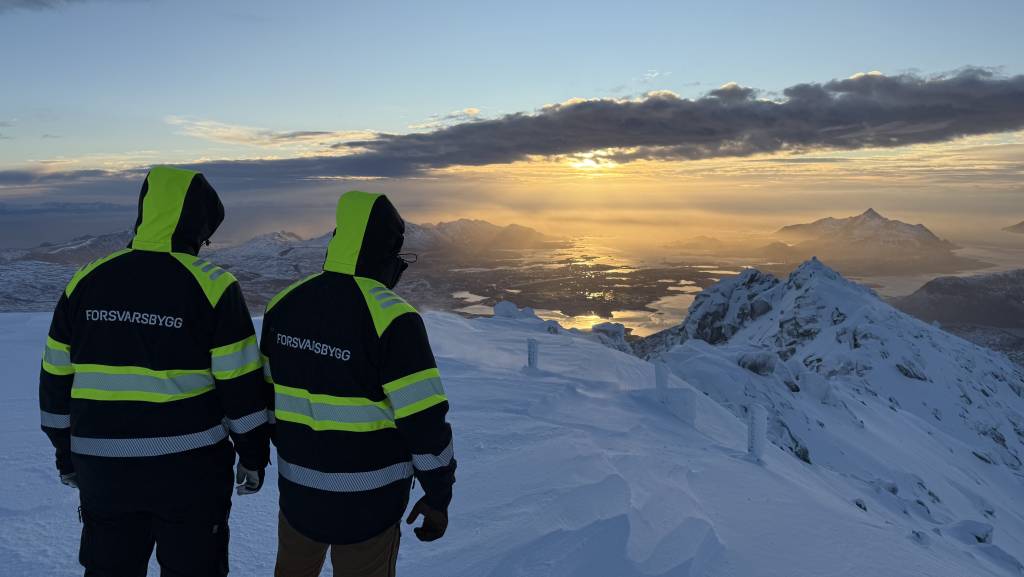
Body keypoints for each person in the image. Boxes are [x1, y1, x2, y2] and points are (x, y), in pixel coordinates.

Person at [39, 166, 272, 577]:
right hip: (190, 473)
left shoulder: (86, 280)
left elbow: (56, 381)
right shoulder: (214, 286)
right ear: (199, 227)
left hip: (102, 469)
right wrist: (253, 456)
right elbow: (241, 389)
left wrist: (66, 456)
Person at [261, 191, 456, 577]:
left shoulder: (283, 304)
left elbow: (266, 399)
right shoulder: (394, 319)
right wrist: (438, 495)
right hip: (369, 507)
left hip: (298, 497)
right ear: (388, 254)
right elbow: (425, 423)